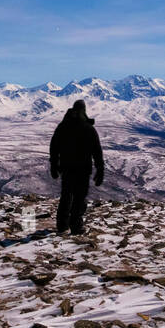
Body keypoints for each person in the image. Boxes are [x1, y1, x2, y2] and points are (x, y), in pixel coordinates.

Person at [49, 99, 105, 235]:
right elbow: (97, 150)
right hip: (83, 169)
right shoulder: (88, 128)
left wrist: (54, 165)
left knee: (66, 195)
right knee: (79, 197)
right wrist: (100, 169)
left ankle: (62, 225)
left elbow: (54, 147)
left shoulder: (63, 127)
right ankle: (76, 226)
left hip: (67, 168)